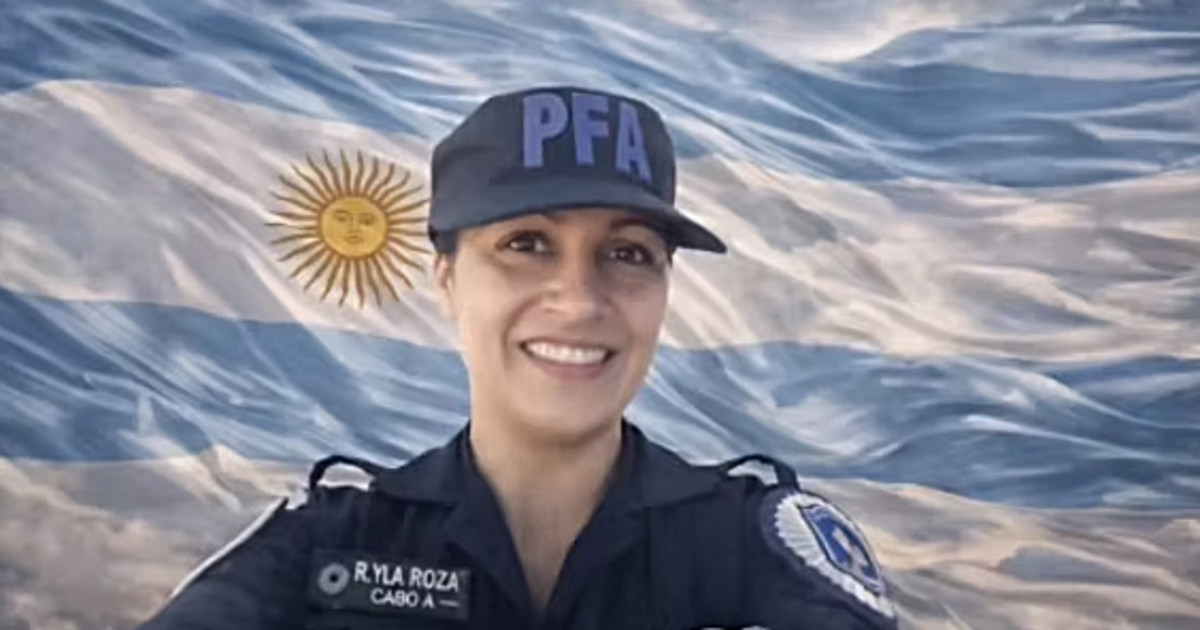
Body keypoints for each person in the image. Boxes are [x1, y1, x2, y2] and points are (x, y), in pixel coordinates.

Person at [138, 85, 899, 630]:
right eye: (526, 244)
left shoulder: (755, 548)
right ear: (446, 278)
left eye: (628, 253)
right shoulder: (327, 543)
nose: (579, 299)